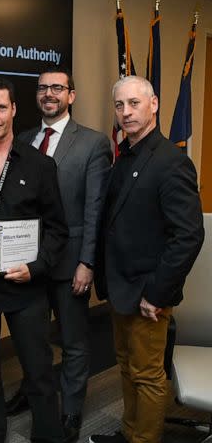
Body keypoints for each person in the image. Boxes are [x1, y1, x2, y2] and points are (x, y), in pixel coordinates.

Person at [89, 75, 204, 443]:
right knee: (127, 367)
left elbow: (188, 236)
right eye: (120, 105)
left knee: (148, 376)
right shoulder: (125, 155)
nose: (126, 112)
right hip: (122, 287)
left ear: (153, 104)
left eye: (134, 103)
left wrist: (156, 293)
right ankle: (131, 432)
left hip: (147, 295)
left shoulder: (171, 161)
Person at [0, 77, 69, 443]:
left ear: (14, 111)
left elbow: (57, 230)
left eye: (1, 108)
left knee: (38, 369)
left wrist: (36, 267)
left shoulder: (40, 166)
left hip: (26, 284)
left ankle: (47, 435)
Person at [6, 66, 112, 440]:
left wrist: (87, 262)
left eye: (57, 88)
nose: (49, 93)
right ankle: (32, 391)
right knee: (31, 338)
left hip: (70, 264)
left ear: (72, 95)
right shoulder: (22, 139)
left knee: (73, 341)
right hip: (29, 264)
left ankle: (69, 410)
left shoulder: (93, 143)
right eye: (42, 88)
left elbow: (95, 208)